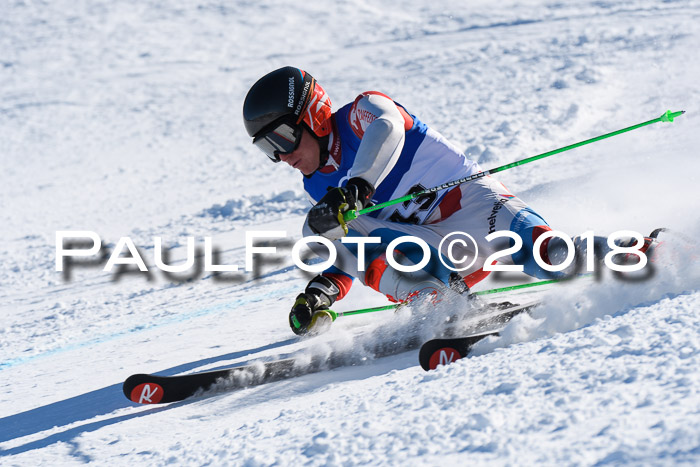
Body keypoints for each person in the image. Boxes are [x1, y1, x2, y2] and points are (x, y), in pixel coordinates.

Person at [242, 66, 649, 335]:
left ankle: (644, 254)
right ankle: (437, 303)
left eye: (281, 139)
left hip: (472, 205)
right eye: (267, 150)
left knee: (550, 255)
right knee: (318, 225)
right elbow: (354, 246)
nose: (281, 157)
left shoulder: (362, 112)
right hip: (433, 254)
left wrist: (357, 186)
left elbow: (388, 126)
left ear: (311, 115)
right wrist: (324, 290)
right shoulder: (316, 186)